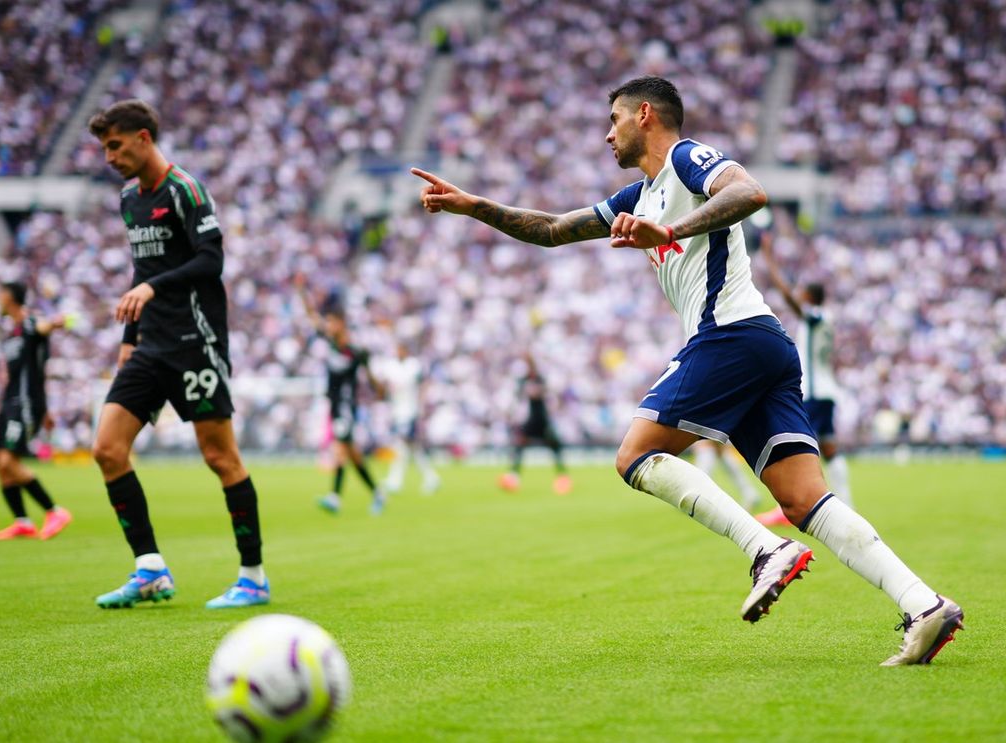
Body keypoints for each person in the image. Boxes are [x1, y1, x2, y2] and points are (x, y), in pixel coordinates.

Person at [412, 75, 962, 665]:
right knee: (805, 500)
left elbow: (749, 193)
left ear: (644, 114)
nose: (607, 135)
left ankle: (761, 548)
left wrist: (670, 230)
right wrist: (475, 207)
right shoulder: (636, 198)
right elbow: (550, 230)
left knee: (634, 455)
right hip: (761, 344)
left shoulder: (684, 158)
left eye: (614, 120)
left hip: (730, 334)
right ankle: (923, 604)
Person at [87, 99, 269, 609]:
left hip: (196, 342)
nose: (109, 156)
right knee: (107, 449)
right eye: (105, 148)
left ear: (143, 138)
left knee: (220, 457)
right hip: (150, 345)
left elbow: (211, 262)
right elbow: (142, 271)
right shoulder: (130, 199)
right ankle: (149, 569)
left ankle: (253, 576)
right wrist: (129, 340)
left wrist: (152, 290)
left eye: (115, 145)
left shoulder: (186, 190)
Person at [756, 233, 853, 529]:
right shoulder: (824, 320)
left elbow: (788, 298)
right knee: (829, 447)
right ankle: (846, 504)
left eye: (801, 292)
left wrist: (770, 261)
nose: (796, 294)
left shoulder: (817, 317)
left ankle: (788, 506)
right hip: (825, 391)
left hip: (814, 392)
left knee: (793, 445)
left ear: (809, 297)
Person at [0, 283, 74, 541]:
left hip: (25, 403)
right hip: (9, 402)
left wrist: (57, 323)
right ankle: (22, 522)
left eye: (0, 293)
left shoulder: (29, 323)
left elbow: (43, 327)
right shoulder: (11, 332)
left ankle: (54, 511)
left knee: (8, 462)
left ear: (10, 297)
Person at [295, 276, 389, 515]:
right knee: (354, 455)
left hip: (346, 406)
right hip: (334, 405)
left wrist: (380, 389)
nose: (327, 325)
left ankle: (335, 497)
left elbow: (371, 380)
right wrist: (300, 291)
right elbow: (311, 316)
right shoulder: (331, 344)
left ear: (341, 324)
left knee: (339, 449)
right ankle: (378, 492)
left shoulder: (356, 352)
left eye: (331, 322)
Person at [499, 353, 573, 495]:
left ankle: (562, 476)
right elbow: (518, 395)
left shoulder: (539, 379)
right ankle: (514, 476)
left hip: (542, 419)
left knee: (555, 446)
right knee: (519, 445)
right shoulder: (524, 380)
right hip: (532, 420)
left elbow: (544, 392)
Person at [378, 342, 441, 496]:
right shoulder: (391, 366)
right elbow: (384, 386)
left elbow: (423, 384)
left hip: (409, 411)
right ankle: (429, 477)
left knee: (403, 444)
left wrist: (420, 406)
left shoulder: (413, 366)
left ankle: (397, 479)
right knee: (410, 447)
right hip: (397, 411)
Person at [691, 440, 760, 511]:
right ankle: (696, 499)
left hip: (711, 443)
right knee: (704, 472)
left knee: (703, 472)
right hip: (710, 443)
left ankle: (696, 500)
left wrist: (718, 446)